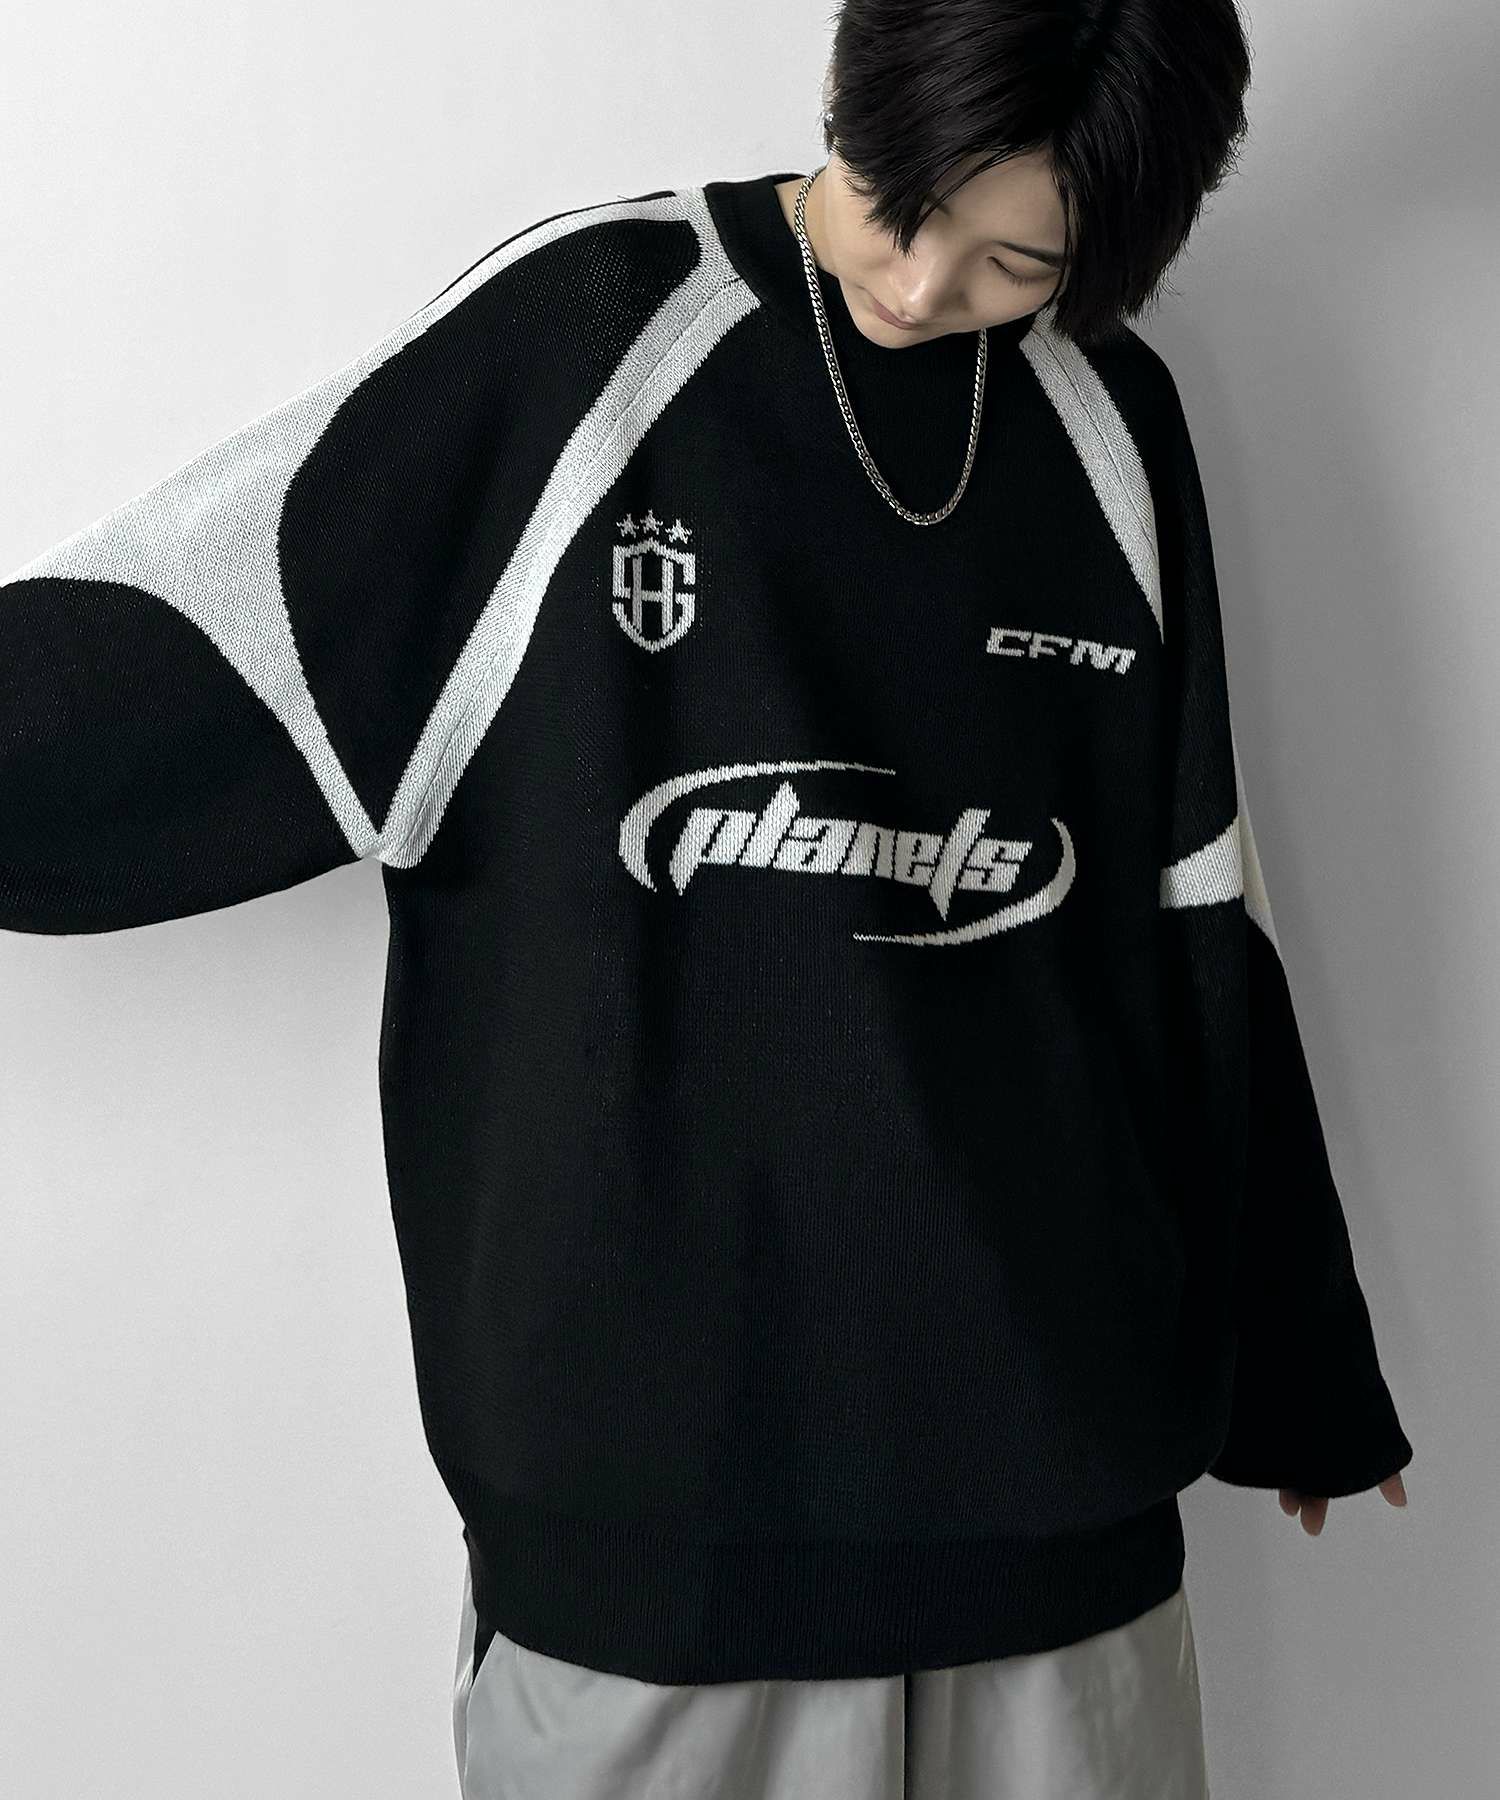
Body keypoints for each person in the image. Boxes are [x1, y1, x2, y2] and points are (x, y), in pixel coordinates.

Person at [2, 1, 1414, 1795]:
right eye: (903, 205)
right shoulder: (591, 338)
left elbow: (1195, 914)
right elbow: (205, 646)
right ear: (850, 89)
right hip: (653, 1542)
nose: (923, 285)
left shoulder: (1111, 417)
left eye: (1017, 265)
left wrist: (1295, 1358)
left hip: (1062, 1516)